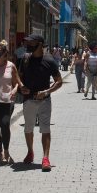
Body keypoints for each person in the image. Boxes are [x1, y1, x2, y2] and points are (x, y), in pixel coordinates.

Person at [19, 33, 62, 172]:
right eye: (28, 43)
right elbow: (18, 77)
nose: (29, 45)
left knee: (45, 128)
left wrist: (47, 92)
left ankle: (45, 158)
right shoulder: (25, 59)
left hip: (44, 100)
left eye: (32, 43)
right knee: (28, 128)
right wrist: (21, 86)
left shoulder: (49, 60)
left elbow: (59, 81)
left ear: (39, 44)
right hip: (28, 100)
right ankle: (30, 152)